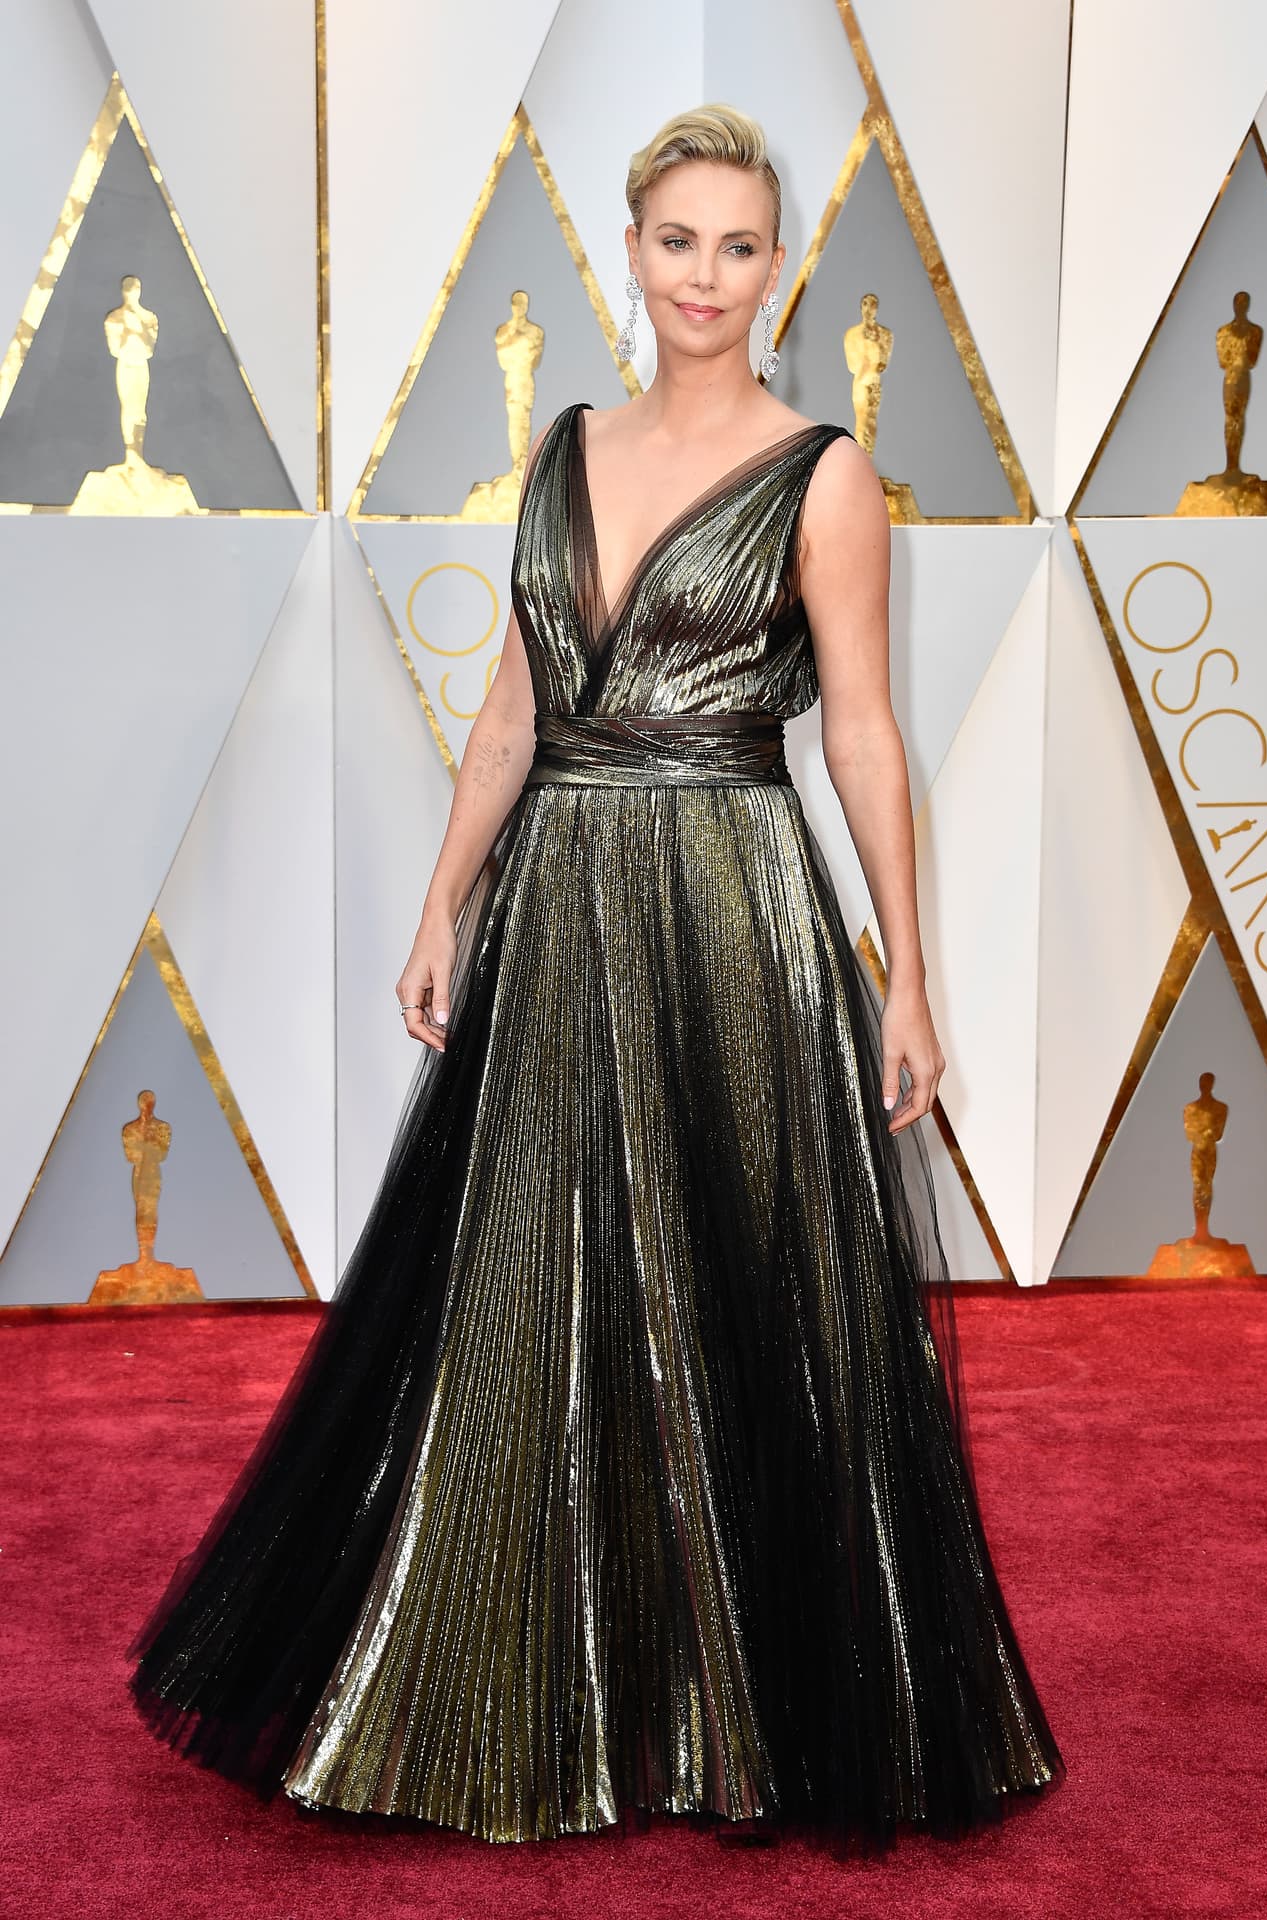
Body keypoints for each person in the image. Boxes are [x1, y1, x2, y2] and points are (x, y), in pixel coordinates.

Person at [128, 102, 1066, 1856]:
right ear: (629, 254)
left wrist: (909, 975)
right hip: (560, 897)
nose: (706, 275)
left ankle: (742, 1710)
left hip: (731, 902)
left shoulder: (826, 472)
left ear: (774, 266)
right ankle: (517, 1684)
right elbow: (510, 706)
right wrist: (442, 901)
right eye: (676, 240)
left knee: (735, 1281)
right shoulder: (559, 448)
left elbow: (863, 738)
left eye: (740, 245)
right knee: (528, 1285)